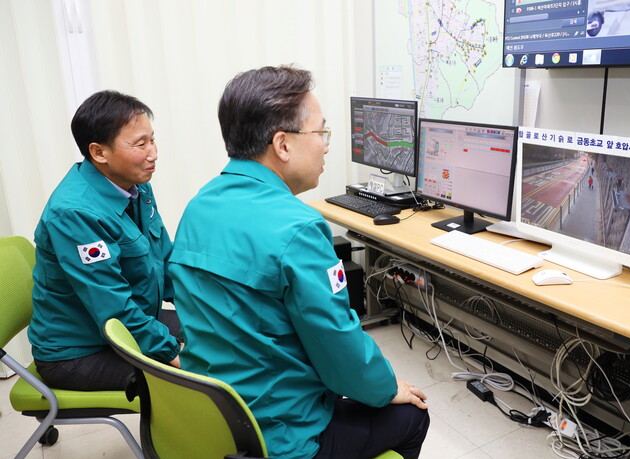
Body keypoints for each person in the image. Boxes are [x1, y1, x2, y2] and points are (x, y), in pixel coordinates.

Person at [169, 65, 430, 459]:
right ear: (283, 144)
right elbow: (339, 347)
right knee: (412, 416)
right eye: (321, 133)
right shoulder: (299, 228)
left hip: (211, 415)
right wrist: (387, 388)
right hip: (278, 435)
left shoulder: (199, 206)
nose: (326, 146)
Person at [28, 90, 182, 392]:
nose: (153, 153)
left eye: (152, 140)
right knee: (199, 378)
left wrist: (206, 308)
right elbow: (113, 308)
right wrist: (173, 352)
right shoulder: (74, 214)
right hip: (78, 353)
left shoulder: (135, 184)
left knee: (221, 339)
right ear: (99, 153)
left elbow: (167, 262)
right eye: (140, 144)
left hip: (132, 321)